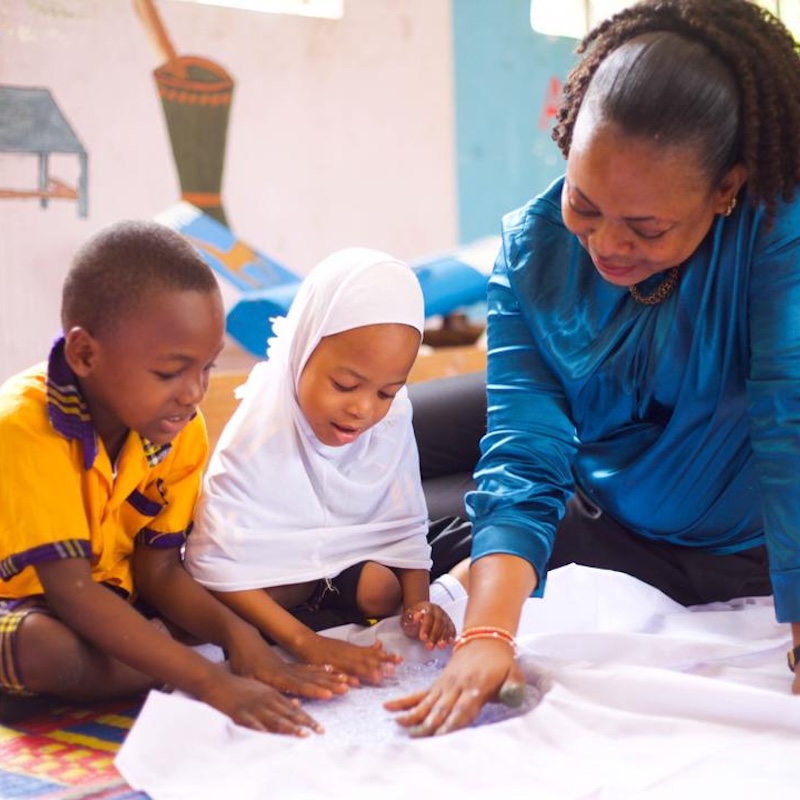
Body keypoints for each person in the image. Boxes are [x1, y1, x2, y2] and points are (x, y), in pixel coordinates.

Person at [385, 0, 800, 735]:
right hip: (588, 449)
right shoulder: (533, 250)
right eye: (585, 202)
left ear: (727, 189)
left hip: (695, 542)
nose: (605, 244)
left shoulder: (774, 233)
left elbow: (787, 423)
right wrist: (488, 638)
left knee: (406, 543)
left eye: (647, 228)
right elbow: (522, 453)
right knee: (372, 440)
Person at [0, 220, 350, 735]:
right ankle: (164, 657)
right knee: (44, 649)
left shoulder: (179, 430)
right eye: (171, 372)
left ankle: (152, 656)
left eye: (206, 368)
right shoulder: (26, 425)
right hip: (28, 604)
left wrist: (239, 639)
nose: (193, 393)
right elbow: (72, 593)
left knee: (245, 588)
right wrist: (215, 683)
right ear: (84, 355)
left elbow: (160, 570)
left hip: (120, 603)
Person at [184, 248, 459, 686]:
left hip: (335, 575)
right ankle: (302, 620)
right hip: (262, 588)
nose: (364, 409)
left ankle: (324, 604)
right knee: (210, 614)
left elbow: (403, 523)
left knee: (381, 588)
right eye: (345, 385)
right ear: (303, 350)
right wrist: (307, 644)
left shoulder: (391, 419)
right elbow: (214, 565)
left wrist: (417, 606)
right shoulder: (260, 432)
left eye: (387, 393)